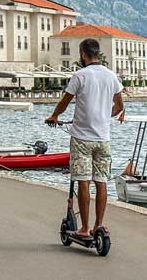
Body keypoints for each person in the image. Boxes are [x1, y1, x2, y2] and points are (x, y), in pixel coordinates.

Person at [45, 38, 125, 239]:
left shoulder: (80, 75)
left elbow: (65, 102)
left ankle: (85, 228)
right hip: (103, 138)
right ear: (97, 53)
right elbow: (119, 106)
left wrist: (54, 116)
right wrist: (103, 116)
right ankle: (99, 225)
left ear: (82, 54)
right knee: (101, 181)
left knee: (83, 181)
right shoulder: (111, 76)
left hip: (82, 138)